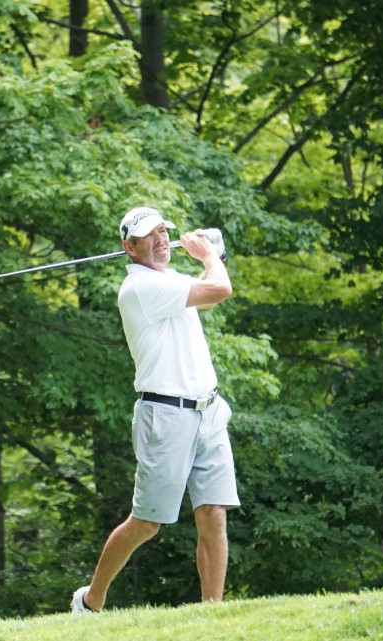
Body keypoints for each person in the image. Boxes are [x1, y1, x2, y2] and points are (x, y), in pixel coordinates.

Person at [71, 206, 240, 613]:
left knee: (213, 513)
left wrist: (210, 255)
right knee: (147, 523)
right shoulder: (139, 289)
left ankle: (212, 613)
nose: (161, 239)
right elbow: (220, 289)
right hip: (165, 417)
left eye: (163, 231)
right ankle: (90, 601)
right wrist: (209, 254)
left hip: (209, 410)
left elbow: (208, 286)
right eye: (150, 235)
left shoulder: (169, 279)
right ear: (129, 248)